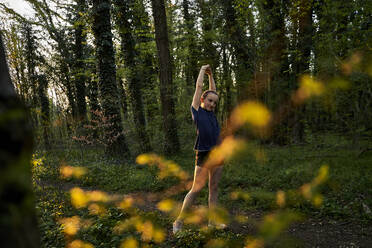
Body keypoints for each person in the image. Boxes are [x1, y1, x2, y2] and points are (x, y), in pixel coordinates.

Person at [173, 64, 225, 234]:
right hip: (203, 153)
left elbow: (213, 91)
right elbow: (200, 88)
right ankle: (179, 222)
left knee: (214, 189)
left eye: (214, 103)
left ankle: (212, 222)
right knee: (196, 189)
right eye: (209, 101)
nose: (212, 104)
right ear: (202, 100)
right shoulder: (197, 110)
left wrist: (212, 76)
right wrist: (203, 70)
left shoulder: (211, 112)